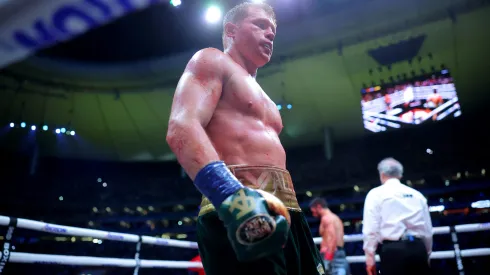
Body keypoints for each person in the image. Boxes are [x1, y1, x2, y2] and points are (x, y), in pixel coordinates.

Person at [166, 2, 324, 275]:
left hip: (288, 212)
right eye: (260, 25)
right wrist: (232, 199)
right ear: (231, 30)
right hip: (237, 211)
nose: (270, 34)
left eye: (273, 30)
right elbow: (182, 126)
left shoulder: (266, 99)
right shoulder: (212, 60)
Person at [362, 158, 433, 275]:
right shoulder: (417, 195)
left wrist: (370, 260)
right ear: (400, 175)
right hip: (418, 249)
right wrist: (427, 254)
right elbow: (427, 230)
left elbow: (370, 230)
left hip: (392, 250)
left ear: (382, 174)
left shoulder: (375, 194)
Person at [310, 198, 351, 275]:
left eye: (313, 211)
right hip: (339, 253)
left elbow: (331, 239)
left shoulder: (326, 219)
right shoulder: (335, 217)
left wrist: (327, 260)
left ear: (318, 207)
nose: (313, 214)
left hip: (331, 255)